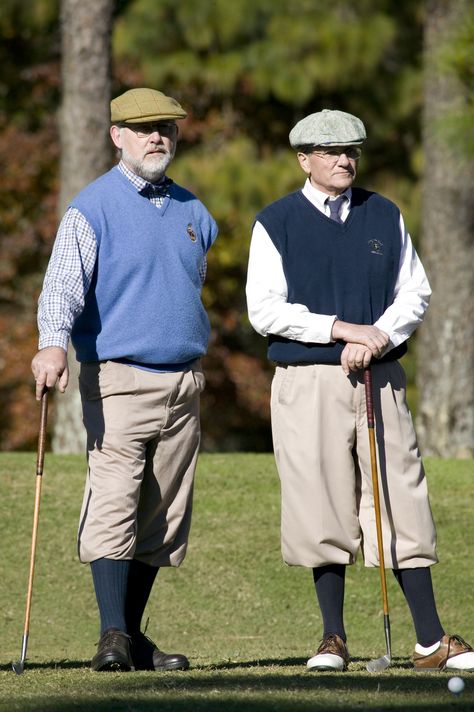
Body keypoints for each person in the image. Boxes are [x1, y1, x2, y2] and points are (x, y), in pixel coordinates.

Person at [246, 109, 474, 673]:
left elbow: (413, 293)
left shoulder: (384, 214)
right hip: (308, 379)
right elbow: (265, 309)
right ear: (304, 159)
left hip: (380, 376)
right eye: (330, 151)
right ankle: (333, 639)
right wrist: (339, 330)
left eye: (351, 150)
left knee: (401, 494)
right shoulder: (276, 222)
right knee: (321, 500)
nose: (344, 159)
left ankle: (430, 640)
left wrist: (376, 339)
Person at [31, 88, 218, 672]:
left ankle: (131, 639)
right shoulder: (93, 206)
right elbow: (62, 285)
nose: (157, 136)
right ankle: (112, 636)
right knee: (113, 501)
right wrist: (52, 345)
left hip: (184, 384)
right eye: (143, 129)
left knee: (162, 516)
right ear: (117, 136)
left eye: (166, 127)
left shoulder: (195, 212)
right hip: (118, 377)